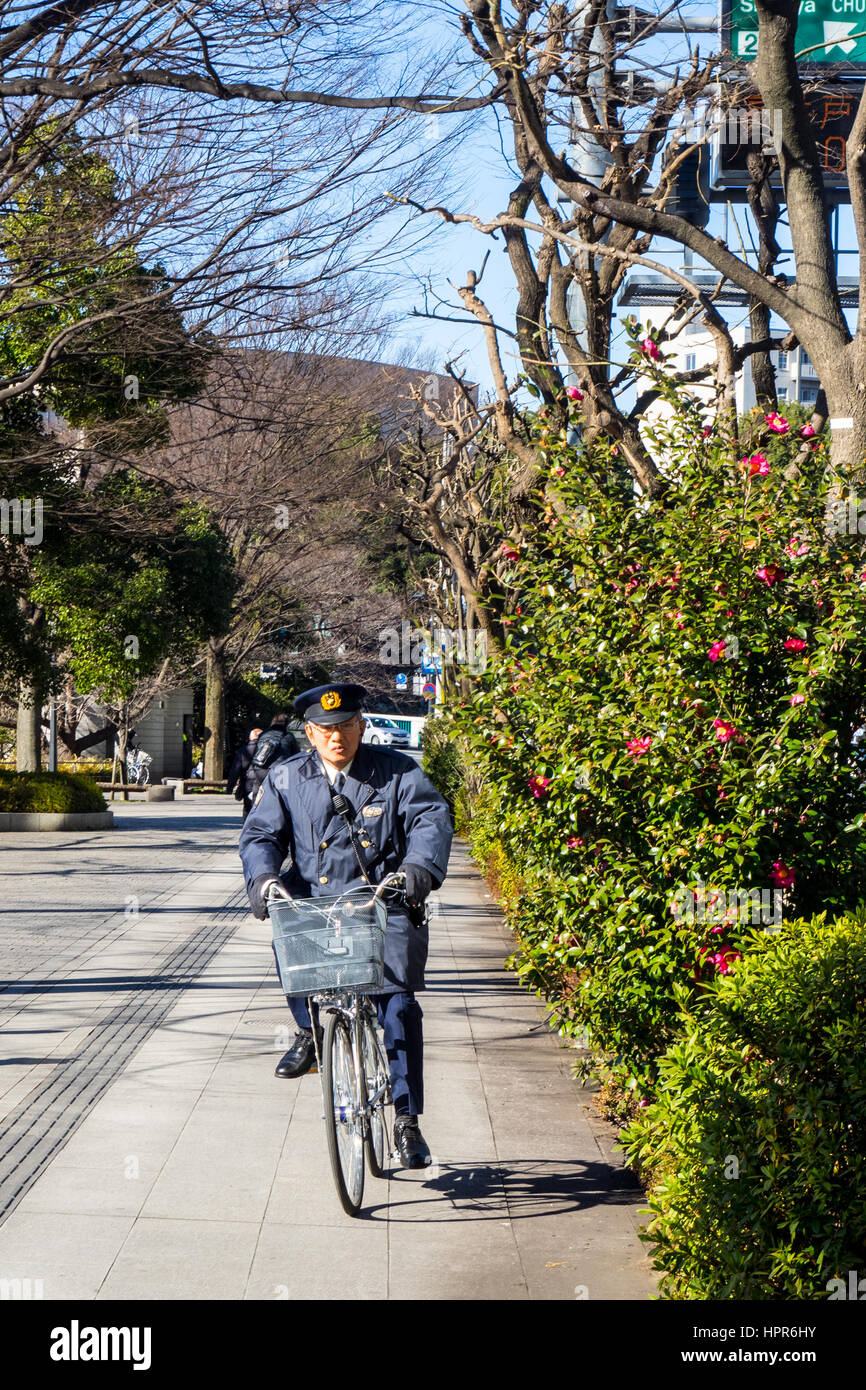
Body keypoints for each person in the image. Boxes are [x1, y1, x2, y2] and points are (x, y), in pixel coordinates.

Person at [238, 681, 452, 1168]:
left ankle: (406, 1118)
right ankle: (311, 1031)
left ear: (361, 727)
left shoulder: (397, 771)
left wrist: (418, 869)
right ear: (309, 733)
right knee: (288, 940)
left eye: (347, 727)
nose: (338, 738)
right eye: (327, 729)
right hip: (316, 900)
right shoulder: (287, 777)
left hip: (384, 900)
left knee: (398, 1003)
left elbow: (430, 818)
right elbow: (260, 835)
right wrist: (265, 879)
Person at [226, 727, 262, 820]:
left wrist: (230, 786)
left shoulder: (242, 751)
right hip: (261, 783)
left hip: (247, 784)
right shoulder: (265, 751)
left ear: (250, 738)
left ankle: (247, 828)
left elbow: (235, 770)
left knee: (247, 807)